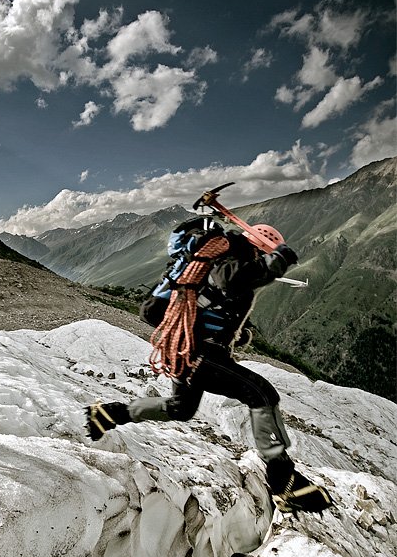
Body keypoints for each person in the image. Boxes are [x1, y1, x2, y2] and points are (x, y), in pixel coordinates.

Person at [86, 216, 332, 515]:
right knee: (262, 394)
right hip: (197, 353)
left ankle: (108, 414)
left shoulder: (216, 256)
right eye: (266, 253)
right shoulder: (234, 253)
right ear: (262, 248)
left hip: (184, 347)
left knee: (181, 407)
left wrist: (236, 334)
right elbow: (230, 279)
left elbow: (219, 298)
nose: (264, 258)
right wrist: (277, 262)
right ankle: (284, 481)